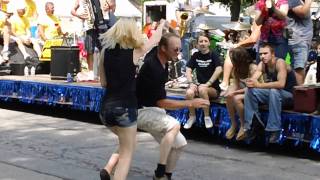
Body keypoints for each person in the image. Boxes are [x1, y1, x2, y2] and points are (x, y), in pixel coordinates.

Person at [98, 15, 167, 180]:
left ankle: (108, 170)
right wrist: (162, 23)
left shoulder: (104, 52)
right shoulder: (135, 52)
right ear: (132, 33)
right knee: (127, 154)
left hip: (106, 109)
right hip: (125, 108)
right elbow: (155, 39)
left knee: (127, 143)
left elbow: (103, 83)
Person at [136, 32, 210, 180]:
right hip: (140, 111)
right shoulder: (154, 68)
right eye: (175, 49)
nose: (179, 52)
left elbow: (157, 39)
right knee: (174, 124)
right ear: (163, 48)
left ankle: (164, 176)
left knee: (180, 144)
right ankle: (160, 168)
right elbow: (162, 103)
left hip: (153, 109)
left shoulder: (160, 58)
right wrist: (190, 103)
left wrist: (166, 26)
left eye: (180, 49)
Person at [243, 43, 297, 143]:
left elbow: (281, 84)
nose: (262, 56)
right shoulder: (262, 64)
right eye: (260, 54)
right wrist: (249, 82)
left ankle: (274, 129)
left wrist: (258, 85)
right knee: (249, 91)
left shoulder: (280, 62)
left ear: (272, 54)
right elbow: (253, 80)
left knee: (274, 90)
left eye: (265, 53)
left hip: (289, 96)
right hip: (274, 95)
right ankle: (253, 124)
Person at [184, 32, 222, 129]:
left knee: (202, 89)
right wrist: (191, 83)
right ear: (197, 45)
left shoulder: (213, 54)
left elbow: (219, 69)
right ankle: (192, 117)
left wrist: (208, 83)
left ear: (209, 43)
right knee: (189, 92)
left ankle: (207, 117)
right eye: (201, 41)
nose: (203, 43)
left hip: (212, 88)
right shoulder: (196, 55)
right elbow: (188, 69)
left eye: (205, 41)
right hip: (200, 86)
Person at [71, 0, 116, 79]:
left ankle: (105, 71)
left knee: (104, 49)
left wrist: (109, 6)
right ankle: (91, 72)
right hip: (90, 25)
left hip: (103, 23)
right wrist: (79, 15)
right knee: (89, 49)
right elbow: (72, 11)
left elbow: (113, 6)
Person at [224, 47, 257, 140]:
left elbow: (253, 86)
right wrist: (230, 92)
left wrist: (235, 92)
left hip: (255, 91)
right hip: (243, 91)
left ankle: (243, 125)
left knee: (235, 97)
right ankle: (234, 124)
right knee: (229, 96)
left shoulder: (252, 68)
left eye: (232, 59)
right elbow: (235, 84)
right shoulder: (236, 69)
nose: (231, 61)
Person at [219, 20, 261, 92]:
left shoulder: (257, 25)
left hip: (254, 52)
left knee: (231, 51)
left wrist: (237, 45)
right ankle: (225, 82)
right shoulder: (253, 26)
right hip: (250, 52)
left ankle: (225, 82)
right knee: (231, 52)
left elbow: (252, 40)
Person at [287, 0, 313, 85]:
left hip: (301, 41)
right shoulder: (293, 0)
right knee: (299, 72)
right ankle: (299, 97)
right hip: (298, 42)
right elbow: (303, 12)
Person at [0, 0, 11, 65]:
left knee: (7, 27)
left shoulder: (2, 14)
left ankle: (5, 50)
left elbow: (7, 1)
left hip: (1, 32)